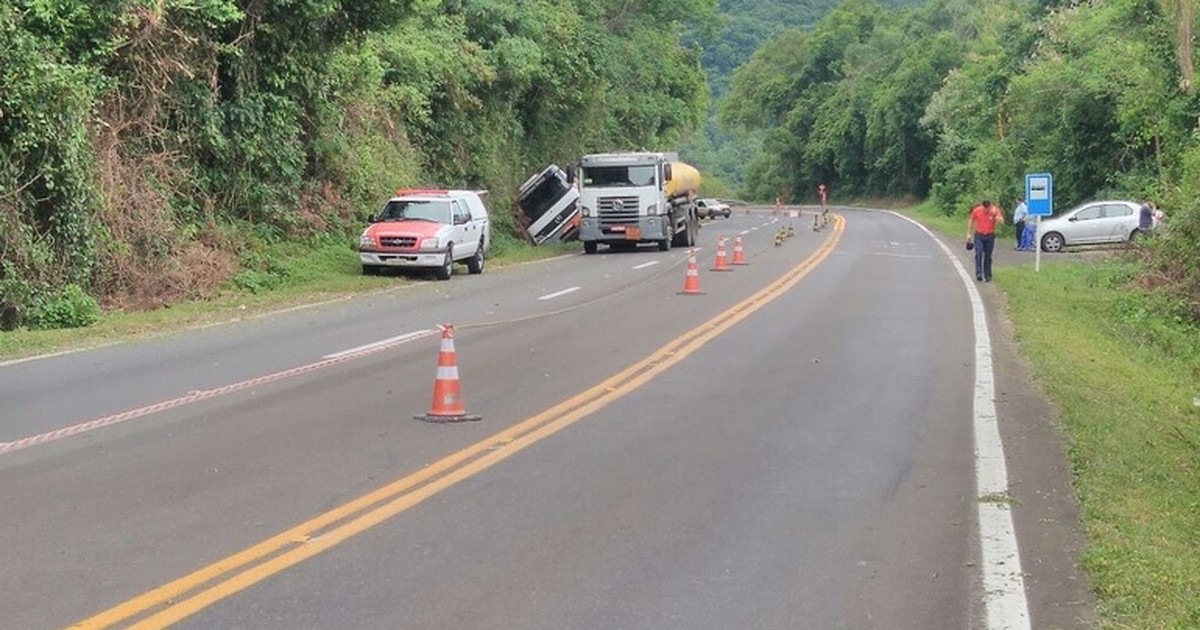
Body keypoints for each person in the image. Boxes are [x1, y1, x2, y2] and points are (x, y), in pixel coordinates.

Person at [966, 200, 1004, 282]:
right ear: (982, 206)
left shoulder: (995, 210)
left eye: (988, 208)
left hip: (990, 235)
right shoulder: (977, 210)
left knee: (988, 256)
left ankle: (987, 274)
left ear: (990, 206)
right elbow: (971, 220)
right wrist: (968, 233)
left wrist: (998, 218)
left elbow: (1001, 220)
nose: (986, 210)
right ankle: (978, 273)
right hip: (979, 235)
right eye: (985, 208)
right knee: (978, 253)